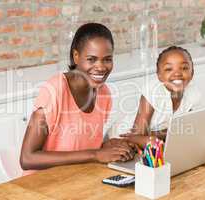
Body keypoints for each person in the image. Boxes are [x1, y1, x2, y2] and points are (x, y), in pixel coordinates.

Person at [20, 23, 135, 173]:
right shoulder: (55, 90)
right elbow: (27, 158)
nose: (100, 67)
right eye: (91, 59)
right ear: (76, 57)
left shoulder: (104, 93)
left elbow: (80, 145)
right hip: (43, 185)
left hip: (79, 179)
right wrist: (95, 154)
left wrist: (106, 145)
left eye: (107, 59)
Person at [114, 46, 200, 146]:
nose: (177, 73)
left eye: (184, 68)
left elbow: (184, 129)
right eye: (168, 69)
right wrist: (166, 134)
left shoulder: (193, 92)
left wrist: (158, 135)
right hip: (124, 136)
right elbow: (137, 136)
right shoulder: (153, 91)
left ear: (192, 72)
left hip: (155, 139)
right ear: (159, 75)